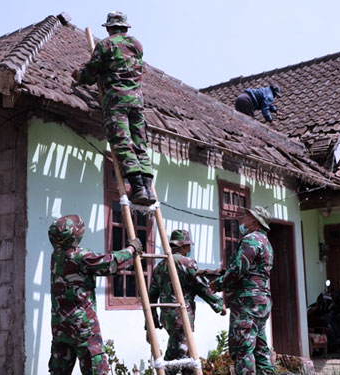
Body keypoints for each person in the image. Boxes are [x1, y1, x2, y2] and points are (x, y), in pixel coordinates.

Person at [72, 11, 155, 206]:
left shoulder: (105, 45)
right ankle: (148, 188)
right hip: (136, 102)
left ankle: (137, 188)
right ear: (125, 27)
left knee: (122, 142)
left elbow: (91, 74)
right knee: (139, 144)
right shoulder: (137, 45)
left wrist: (78, 75)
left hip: (116, 101)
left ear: (109, 28)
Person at [48, 214, 143, 375]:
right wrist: (132, 249)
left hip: (60, 326)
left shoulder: (56, 256)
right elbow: (111, 262)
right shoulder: (80, 256)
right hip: (83, 326)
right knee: (95, 369)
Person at [148, 229, 226, 375]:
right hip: (181, 316)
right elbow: (201, 287)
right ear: (183, 246)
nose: (190, 249)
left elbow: (151, 296)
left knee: (188, 357)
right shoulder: (186, 263)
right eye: (188, 246)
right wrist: (219, 305)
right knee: (174, 356)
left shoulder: (159, 266)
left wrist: (151, 323)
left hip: (166, 316)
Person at [210, 206, 274, 375]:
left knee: (243, 349)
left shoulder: (251, 240)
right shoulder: (266, 242)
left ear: (254, 221)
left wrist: (218, 284)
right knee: (260, 350)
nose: (242, 219)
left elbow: (239, 269)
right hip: (261, 302)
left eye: (246, 216)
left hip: (247, 303)